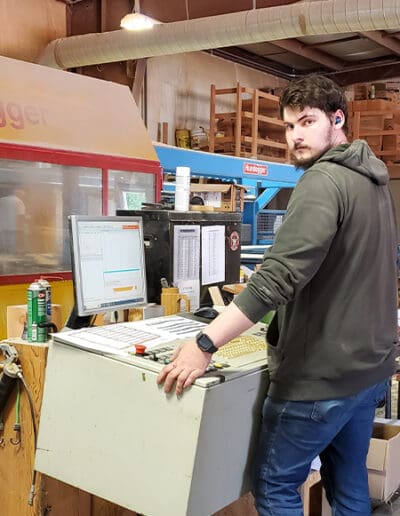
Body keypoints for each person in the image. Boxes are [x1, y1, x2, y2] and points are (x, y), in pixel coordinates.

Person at [157, 74, 398, 515]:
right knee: (348, 486)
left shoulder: (323, 181)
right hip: (367, 375)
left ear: (337, 118)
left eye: (306, 122)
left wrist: (204, 342)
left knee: (275, 488)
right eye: (289, 126)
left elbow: (276, 279)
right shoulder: (374, 182)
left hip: (318, 382)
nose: (295, 136)